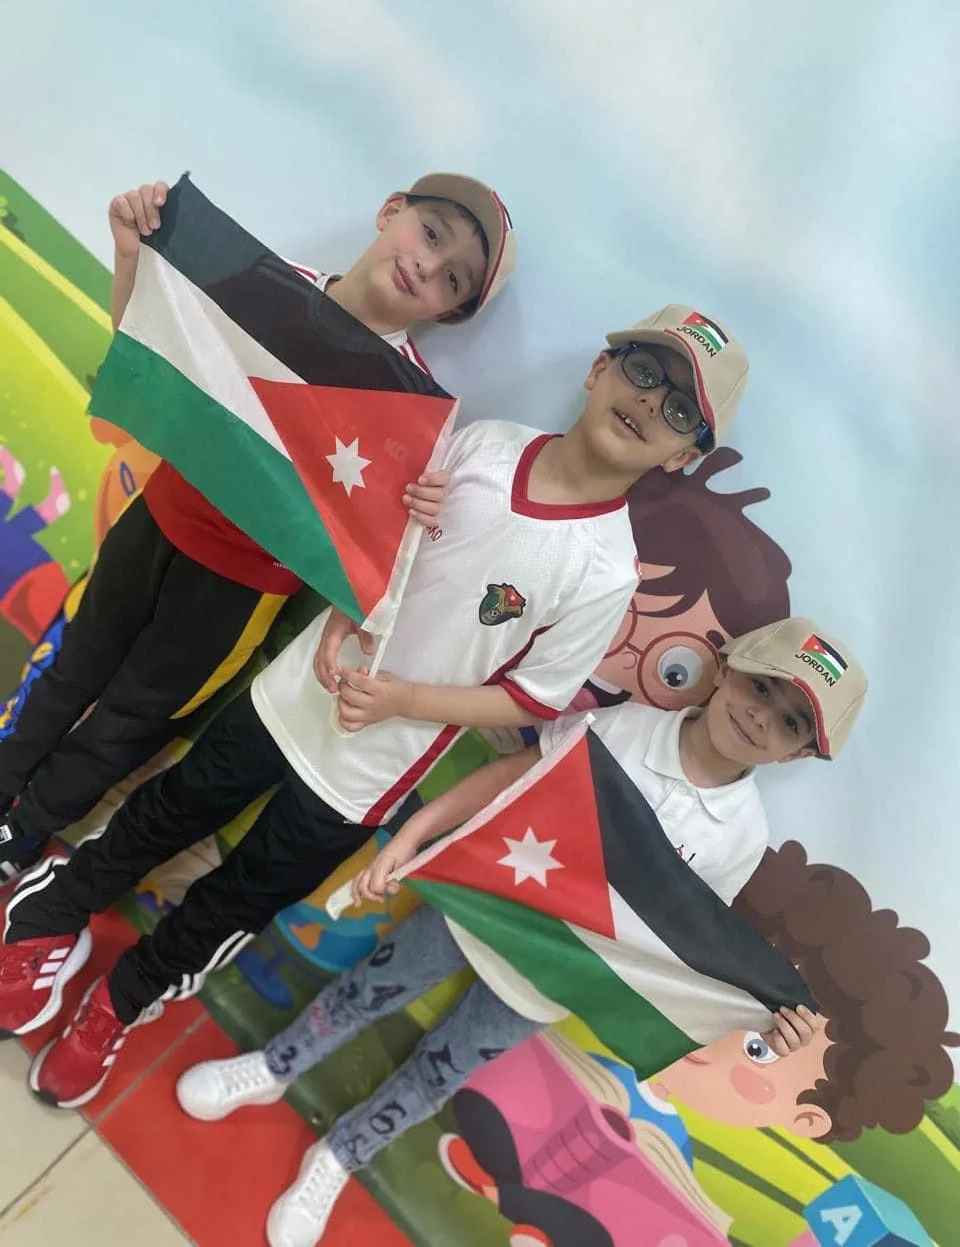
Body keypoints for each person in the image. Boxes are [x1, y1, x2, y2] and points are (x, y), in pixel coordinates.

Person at [0, 304, 749, 1122]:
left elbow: (530, 698)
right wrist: (340, 614)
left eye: (679, 409)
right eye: (644, 371)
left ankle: (121, 1002)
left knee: (240, 897)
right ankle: (52, 916)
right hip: (292, 698)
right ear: (599, 368)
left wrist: (406, 700)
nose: (648, 402)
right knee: (168, 809)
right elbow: (377, 542)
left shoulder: (607, 572)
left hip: (367, 775)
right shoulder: (482, 444)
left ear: (682, 455)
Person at [172, 614, 860, 1247]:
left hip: (549, 982)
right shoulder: (625, 729)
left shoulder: (742, 837)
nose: (761, 715)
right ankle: (276, 1065)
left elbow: (689, 952)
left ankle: (342, 1153)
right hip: (479, 907)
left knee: (442, 1070)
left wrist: (766, 1029)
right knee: (365, 991)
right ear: (726, 668)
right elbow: (514, 776)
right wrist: (413, 838)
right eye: (762, 686)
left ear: (799, 753)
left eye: (791, 720)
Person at [0, 170, 516, 882]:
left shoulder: (417, 418)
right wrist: (129, 255)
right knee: (70, 666)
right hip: (154, 519)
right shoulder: (259, 286)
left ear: (449, 312)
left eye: (452, 278)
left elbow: (387, 549)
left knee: (129, 719)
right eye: (431, 233)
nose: (428, 265)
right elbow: (146, 355)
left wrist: (423, 509)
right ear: (390, 210)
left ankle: (21, 835)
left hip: (237, 593)